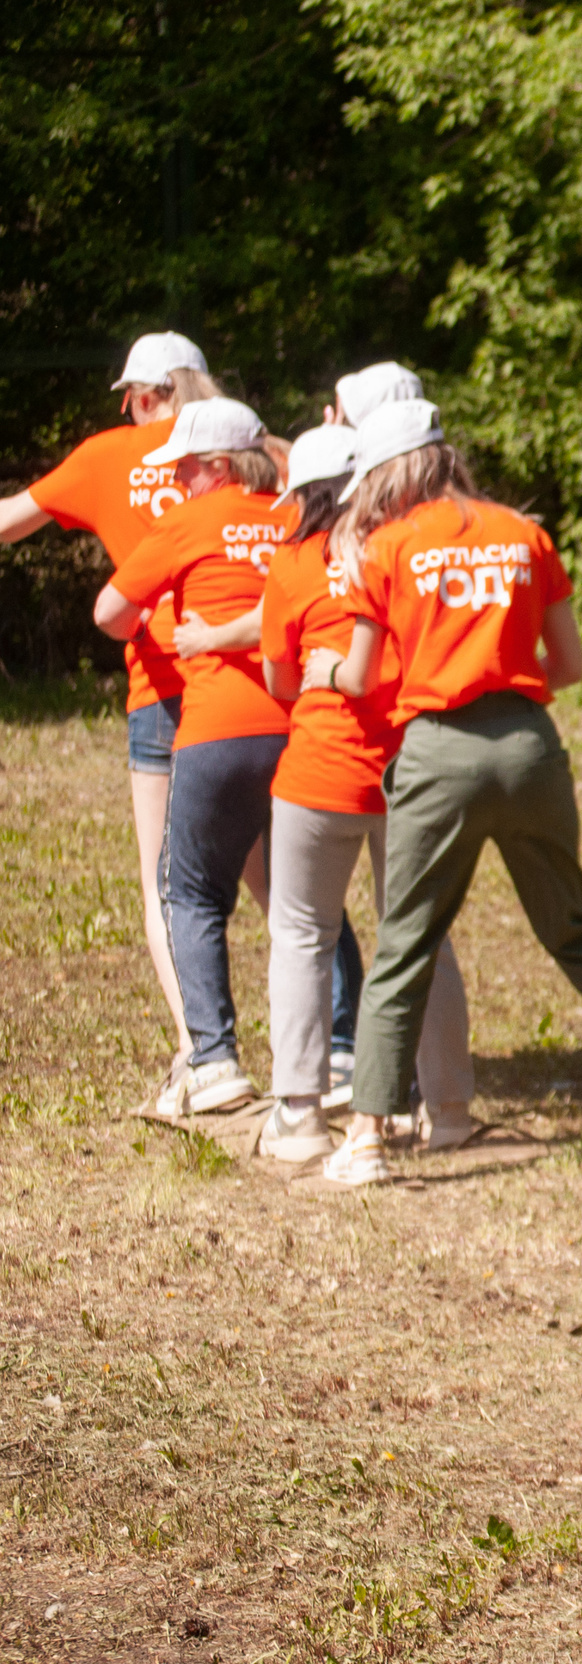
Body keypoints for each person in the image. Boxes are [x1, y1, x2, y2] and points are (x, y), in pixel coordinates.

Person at [312, 399, 582, 1188]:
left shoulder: (388, 546)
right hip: (531, 749)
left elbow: (358, 675)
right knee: (572, 927)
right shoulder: (526, 535)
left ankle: (365, 1137)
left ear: (388, 475)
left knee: (404, 942)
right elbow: (566, 665)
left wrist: (319, 671)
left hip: (437, 753)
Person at [91, 398, 360, 1114]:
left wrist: (162, 619)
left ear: (215, 465)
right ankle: (342, 1048)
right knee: (308, 897)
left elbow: (108, 612)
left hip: (215, 730)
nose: (175, 482)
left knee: (190, 891)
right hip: (297, 725)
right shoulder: (294, 518)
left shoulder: (187, 521)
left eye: (182, 468)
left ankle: (214, 1060)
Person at [0, 332, 226, 1087]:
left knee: (162, 878)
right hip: (250, 683)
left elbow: (9, 520)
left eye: (130, 397)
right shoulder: (242, 447)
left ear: (143, 394)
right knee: (280, 883)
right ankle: (331, 1046)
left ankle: (203, 1053)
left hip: (161, 687)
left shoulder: (105, 457)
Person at [256, 423, 478, 1162]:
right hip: (409, 771)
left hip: (318, 772)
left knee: (300, 935)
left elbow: (281, 683)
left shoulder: (290, 565)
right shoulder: (407, 551)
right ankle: (445, 1107)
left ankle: (299, 1113)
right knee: (421, 937)